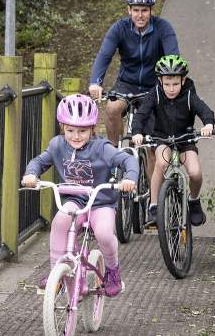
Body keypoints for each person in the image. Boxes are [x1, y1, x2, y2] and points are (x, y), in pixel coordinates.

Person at [21, 94, 138, 298]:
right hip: (75, 200)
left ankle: (113, 271)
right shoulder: (57, 145)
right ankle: (56, 273)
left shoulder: (101, 147)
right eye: (70, 130)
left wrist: (130, 178)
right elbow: (39, 162)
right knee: (60, 222)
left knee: (103, 233)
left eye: (82, 131)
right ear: (62, 127)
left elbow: (127, 160)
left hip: (101, 203)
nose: (76, 136)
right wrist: (31, 174)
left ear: (92, 128)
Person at [130, 54, 215, 227]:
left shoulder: (189, 94)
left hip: (185, 139)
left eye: (175, 84)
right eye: (167, 84)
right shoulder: (155, 94)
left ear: (183, 80)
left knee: (195, 172)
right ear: (160, 81)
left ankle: (194, 200)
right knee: (161, 163)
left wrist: (208, 124)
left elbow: (204, 110)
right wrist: (137, 132)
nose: (171, 89)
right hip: (162, 138)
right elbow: (141, 114)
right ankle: (154, 205)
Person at [87, 0, 180, 145]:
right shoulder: (119, 28)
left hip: (153, 86)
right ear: (129, 10)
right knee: (112, 108)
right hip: (126, 83)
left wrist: (171, 84)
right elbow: (104, 55)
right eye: (136, 10)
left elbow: (173, 58)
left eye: (144, 10)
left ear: (151, 11)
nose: (140, 15)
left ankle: (147, 154)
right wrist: (95, 82)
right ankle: (114, 152)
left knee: (151, 143)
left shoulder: (163, 28)